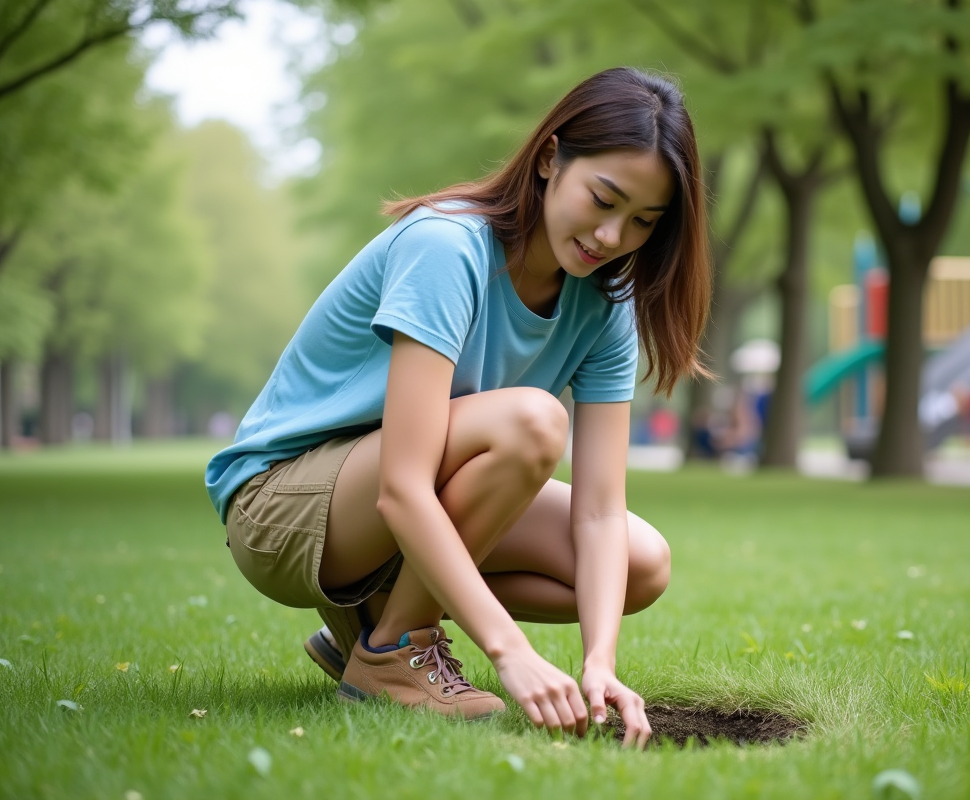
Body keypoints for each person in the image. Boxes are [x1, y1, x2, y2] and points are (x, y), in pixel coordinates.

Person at [204, 68, 709, 749]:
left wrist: (600, 663)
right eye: (604, 199)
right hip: (282, 505)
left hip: (387, 503)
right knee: (531, 422)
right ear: (550, 157)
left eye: (644, 221)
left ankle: (373, 624)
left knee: (640, 564)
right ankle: (394, 657)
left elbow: (598, 510)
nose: (613, 236)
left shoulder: (604, 306)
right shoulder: (447, 247)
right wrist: (510, 651)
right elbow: (404, 488)